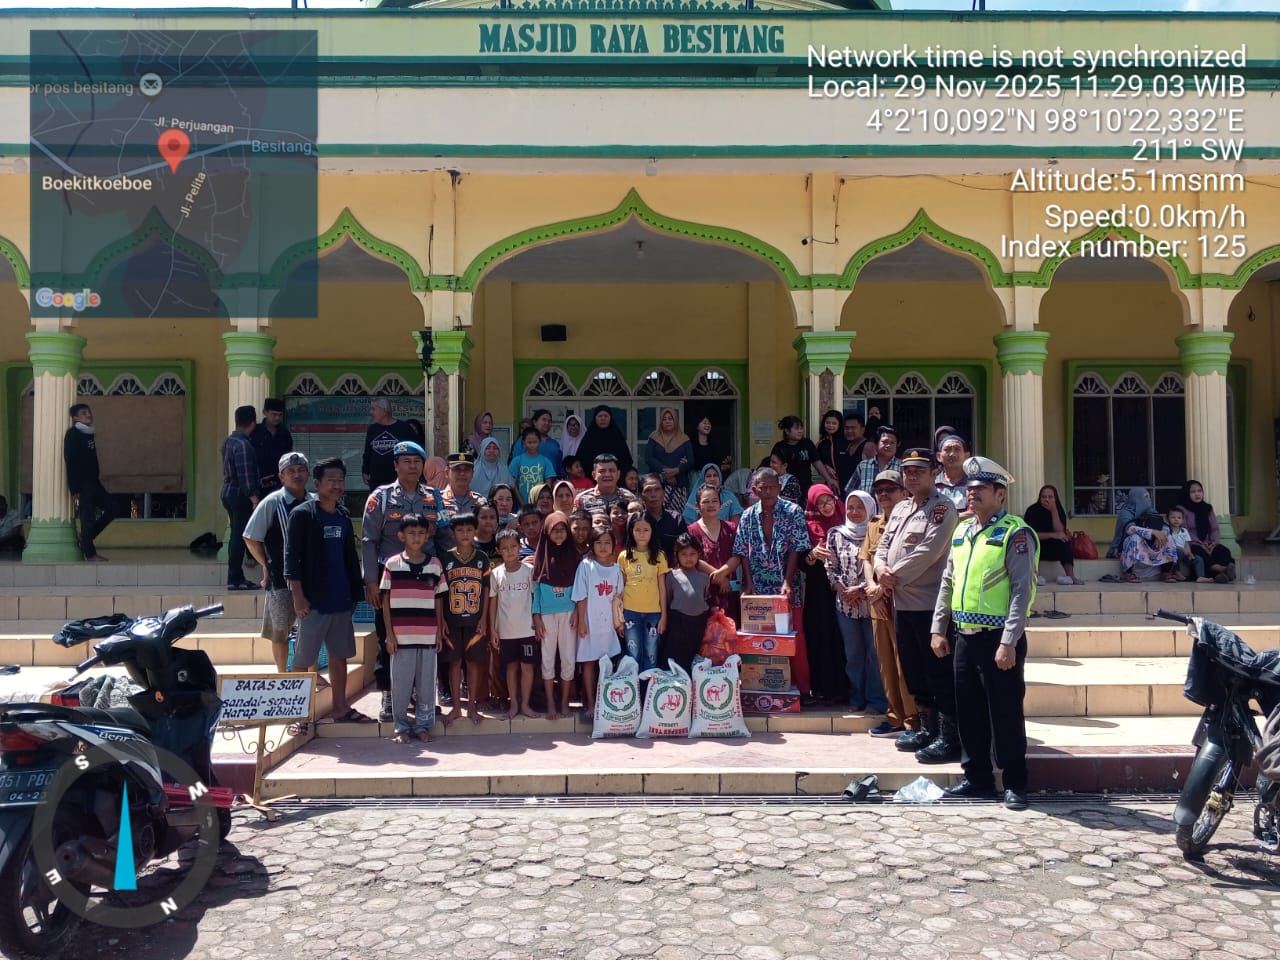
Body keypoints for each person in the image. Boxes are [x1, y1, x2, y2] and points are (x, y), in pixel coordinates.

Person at [932, 457, 1037, 810]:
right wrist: (938, 628)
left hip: (998, 639)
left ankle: (1014, 783)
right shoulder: (962, 531)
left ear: (1000, 494)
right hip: (964, 635)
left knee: (1005, 711)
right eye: (969, 489)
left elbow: (1023, 591)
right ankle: (976, 778)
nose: (971, 494)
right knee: (970, 712)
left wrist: (1009, 640)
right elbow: (948, 581)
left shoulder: (1015, 532)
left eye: (979, 489)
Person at [874, 448, 959, 762]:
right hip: (902, 604)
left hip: (929, 603)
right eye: (907, 471)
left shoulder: (942, 508)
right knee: (913, 670)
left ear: (933, 472)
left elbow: (930, 551)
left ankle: (949, 737)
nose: (911, 476)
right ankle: (928, 727)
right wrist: (880, 568)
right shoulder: (899, 508)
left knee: (937, 671)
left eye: (918, 471)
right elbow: (882, 545)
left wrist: (891, 576)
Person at [362, 440, 450, 723]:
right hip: (392, 582)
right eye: (406, 461)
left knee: (425, 640)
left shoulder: (434, 497)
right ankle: (389, 696)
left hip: (427, 582)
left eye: (416, 461)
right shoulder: (381, 497)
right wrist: (372, 582)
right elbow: (369, 541)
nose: (412, 466)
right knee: (390, 640)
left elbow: (446, 536)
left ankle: (420, 697)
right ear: (396, 465)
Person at [285, 457, 371, 723]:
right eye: (331, 480)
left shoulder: (343, 516)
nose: (336, 485)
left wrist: (356, 594)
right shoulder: (302, 514)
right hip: (313, 602)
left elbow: (348, 557)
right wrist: (298, 596)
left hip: (341, 599)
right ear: (317, 483)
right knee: (303, 660)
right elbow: (291, 558)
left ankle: (340, 708)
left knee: (340, 656)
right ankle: (297, 716)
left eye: (340, 480)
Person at [720, 468, 812, 698]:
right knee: (759, 640)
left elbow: (796, 548)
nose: (769, 491)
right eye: (764, 487)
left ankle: (801, 689)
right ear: (755, 489)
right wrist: (748, 583)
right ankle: (761, 688)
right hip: (758, 589)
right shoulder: (748, 515)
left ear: (779, 487)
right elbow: (742, 551)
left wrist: (787, 582)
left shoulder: (793, 511)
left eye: (773, 486)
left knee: (793, 638)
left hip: (787, 588)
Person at [243, 452, 315, 672]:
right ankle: (282, 674)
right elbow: (251, 537)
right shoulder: (272, 502)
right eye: (291, 471)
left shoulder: (315, 501)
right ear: (281, 476)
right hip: (280, 581)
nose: (297, 474)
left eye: (301, 469)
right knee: (280, 631)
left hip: (312, 580)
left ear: (308, 473)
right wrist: (266, 564)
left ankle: (312, 675)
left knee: (311, 631)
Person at [379, 514, 444, 744]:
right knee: (401, 685)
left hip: (427, 636)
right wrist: (389, 634)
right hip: (401, 637)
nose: (416, 537)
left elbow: (438, 600)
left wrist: (438, 631)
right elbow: (385, 600)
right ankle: (401, 727)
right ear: (401, 536)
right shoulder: (392, 564)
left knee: (427, 685)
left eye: (420, 533)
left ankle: (423, 726)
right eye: (411, 533)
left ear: (427, 535)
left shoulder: (434, 565)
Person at [862, 470, 916, 739]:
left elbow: (909, 562)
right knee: (884, 662)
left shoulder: (912, 521)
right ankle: (894, 716)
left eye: (890, 489)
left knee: (904, 661)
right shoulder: (874, 524)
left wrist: (881, 590)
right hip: (877, 602)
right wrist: (872, 590)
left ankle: (913, 719)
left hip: (901, 600)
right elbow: (866, 559)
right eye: (879, 490)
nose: (884, 494)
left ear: (904, 492)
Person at [827, 490, 888, 714]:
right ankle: (857, 697)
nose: (854, 512)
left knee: (875, 654)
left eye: (859, 507)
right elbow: (830, 567)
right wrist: (841, 589)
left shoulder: (877, 531)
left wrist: (861, 589)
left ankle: (876, 701)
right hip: (845, 605)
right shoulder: (835, 533)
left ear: (870, 508)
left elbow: (882, 563)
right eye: (850, 507)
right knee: (853, 655)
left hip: (873, 602)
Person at [436, 512, 490, 725]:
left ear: (475, 531)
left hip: (475, 621)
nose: (465, 534)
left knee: (473, 662)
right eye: (460, 530)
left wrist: (484, 618)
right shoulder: (445, 559)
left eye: (469, 529)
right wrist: (441, 622)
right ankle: (457, 707)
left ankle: (473, 707)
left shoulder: (482, 558)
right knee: (454, 662)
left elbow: (486, 591)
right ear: (452, 532)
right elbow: (439, 594)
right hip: (452, 622)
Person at [531, 510, 581, 720]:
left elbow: (580, 589)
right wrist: (536, 617)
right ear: (547, 533)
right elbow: (536, 591)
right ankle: (551, 702)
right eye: (555, 530)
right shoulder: (541, 556)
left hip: (569, 614)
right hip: (547, 616)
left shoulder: (575, 557)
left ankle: (564, 702)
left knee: (569, 658)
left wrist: (578, 611)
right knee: (548, 659)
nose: (559, 534)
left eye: (563, 529)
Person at [573, 526, 625, 719]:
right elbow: (580, 596)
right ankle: (590, 702)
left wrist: (618, 624)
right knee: (588, 663)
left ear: (613, 546)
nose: (603, 547)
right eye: (598, 543)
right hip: (589, 622)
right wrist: (581, 622)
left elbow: (618, 600)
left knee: (606, 663)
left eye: (607, 543)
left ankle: (605, 701)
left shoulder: (617, 570)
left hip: (608, 625)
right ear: (591, 545)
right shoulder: (586, 566)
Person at [802, 483, 847, 705]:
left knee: (844, 638)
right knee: (820, 636)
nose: (826, 506)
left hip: (846, 589)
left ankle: (846, 690)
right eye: (820, 503)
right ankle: (822, 689)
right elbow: (801, 560)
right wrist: (812, 555)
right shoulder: (807, 525)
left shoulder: (847, 518)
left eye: (828, 500)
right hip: (818, 592)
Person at [490, 528, 541, 719]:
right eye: (505, 548)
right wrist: (493, 630)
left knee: (528, 667)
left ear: (520, 547)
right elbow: (493, 602)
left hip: (528, 629)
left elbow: (536, 598)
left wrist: (538, 622)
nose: (510, 551)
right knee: (511, 667)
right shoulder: (495, 573)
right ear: (499, 550)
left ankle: (526, 705)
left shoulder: (529, 571)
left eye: (513, 546)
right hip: (506, 631)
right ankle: (514, 704)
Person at [64, 403, 117, 562]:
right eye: (83, 413)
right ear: (75, 418)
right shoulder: (73, 434)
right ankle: (90, 553)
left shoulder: (88, 433)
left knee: (114, 508)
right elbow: (70, 460)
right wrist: (74, 488)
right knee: (86, 518)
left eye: (89, 412)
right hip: (83, 484)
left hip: (94, 482)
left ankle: (86, 537)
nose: (88, 415)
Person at [618, 513, 670, 674]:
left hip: (653, 613)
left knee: (651, 652)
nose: (641, 534)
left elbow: (662, 587)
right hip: (630, 613)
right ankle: (634, 692)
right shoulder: (624, 556)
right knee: (633, 652)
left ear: (652, 531)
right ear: (631, 531)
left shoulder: (659, 556)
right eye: (637, 530)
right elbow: (621, 587)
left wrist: (664, 616)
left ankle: (649, 692)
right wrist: (619, 617)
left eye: (646, 530)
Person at [687, 484, 740, 623]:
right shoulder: (691, 531)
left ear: (720, 504)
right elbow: (693, 559)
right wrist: (720, 577)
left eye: (714, 501)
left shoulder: (731, 528)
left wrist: (724, 573)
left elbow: (738, 555)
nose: (711, 505)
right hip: (704, 593)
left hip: (729, 590)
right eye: (705, 501)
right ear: (698, 506)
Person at [221, 405, 260, 588]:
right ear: (252, 423)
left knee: (236, 534)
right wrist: (254, 498)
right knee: (239, 536)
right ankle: (235, 579)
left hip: (228, 493)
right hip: (239, 496)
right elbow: (245, 475)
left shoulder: (229, 441)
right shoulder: (243, 445)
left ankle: (235, 576)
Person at [1108, 487, 1179, 583]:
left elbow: (1164, 525)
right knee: (1134, 538)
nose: (1148, 500)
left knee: (1168, 538)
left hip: (1149, 545)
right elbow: (1129, 529)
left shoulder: (1151, 511)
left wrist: (1162, 534)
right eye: (1145, 497)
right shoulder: (1126, 513)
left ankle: (1166, 573)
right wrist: (1153, 532)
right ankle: (1128, 573)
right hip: (1123, 548)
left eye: (1148, 497)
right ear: (1135, 498)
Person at [664, 533, 711, 675]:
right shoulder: (672, 576)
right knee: (677, 656)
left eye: (692, 554)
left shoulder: (704, 577)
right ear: (677, 555)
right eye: (684, 554)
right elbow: (668, 599)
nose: (688, 558)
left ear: (699, 555)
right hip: (678, 622)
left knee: (694, 654)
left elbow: (705, 596)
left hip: (698, 622)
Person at [1177, 479, 1236, 583]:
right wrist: (1200, 543)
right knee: (1199, 551)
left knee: (1222, 550)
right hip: (1191, 543)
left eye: (1199, 491)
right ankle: (1219, 569)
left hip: (1207, 543)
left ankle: (1221, 575)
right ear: (1187, 493)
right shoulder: (1181, 509)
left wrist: (1213, 543)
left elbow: (1214, 529)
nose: (1197, 494)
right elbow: (1184, 530)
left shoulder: (1207, 508)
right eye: (1193, 492)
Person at [1024, 484, 1084, 586]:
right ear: (1039, 498)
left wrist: (1053, 510)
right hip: (1037, 548)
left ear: (1055, 498)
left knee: (1064, 542)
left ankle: (1071, 576)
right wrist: (1052, 535)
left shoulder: (1058, 510)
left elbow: (1060, 532)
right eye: (1044, 497)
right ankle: (1033, 576)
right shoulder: (1032, 511)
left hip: (1053, 549)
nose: (1047, 499)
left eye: (1050, 497)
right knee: (1031, 542)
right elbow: (1029, 535)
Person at [645, 407, 694, 517]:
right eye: (664, 419)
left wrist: (677, 470)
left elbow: (690, 461)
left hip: (679, 485)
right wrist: (666, 473)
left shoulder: (684, 439)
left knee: (677, 517)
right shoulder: (654, 437)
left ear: (675, 421)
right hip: (658, 484)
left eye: (670, 418)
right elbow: (649, 458)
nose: (667, 421)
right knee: (657, 515)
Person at [362, 398, 417, 490]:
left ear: (384, 410)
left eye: (373, 409)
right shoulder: (372, 429)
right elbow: (367, 452)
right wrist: (365, 471)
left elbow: (414, 452)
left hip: (398, 481)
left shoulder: (403, 428)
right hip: (377, 482)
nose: (371, 412)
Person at [574, 453, 638, 519]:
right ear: (594, 475)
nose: (607, 475)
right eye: (602, 471)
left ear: (618, 474)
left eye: (611, 471)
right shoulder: (581, 499)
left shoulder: (630, 497)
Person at [251, 398, 293, 496]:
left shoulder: (284, 433)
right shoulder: (255, 432)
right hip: (259, 484)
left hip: (279, 483)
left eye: (280, 415)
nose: (277, 418)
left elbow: (288, 458)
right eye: (274, 414)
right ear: (265, 412)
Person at [575, 404, 634, 475]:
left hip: (615, 479)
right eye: (600, 416)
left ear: (610, 418)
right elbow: (582, 459)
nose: (603, 418)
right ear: (595, 418)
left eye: (606, 416)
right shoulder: (589, 438)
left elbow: (626, 461)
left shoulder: (617, 437)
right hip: (592, 479)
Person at [772, 415, 819, 496]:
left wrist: (829, 479)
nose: (800, 431)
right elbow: (773, 466)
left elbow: (817, 462)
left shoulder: (807, 444)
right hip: (786, 487)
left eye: (801, 428)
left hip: (806, 487)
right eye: (796, 429)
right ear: (787, 431)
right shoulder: (779, 447)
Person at [638, 473, 682, 560]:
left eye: (657, 489)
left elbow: (684, 549)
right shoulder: (635, 521)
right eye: (648, 490)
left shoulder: (676, 519)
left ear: (664, 492)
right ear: (641, 495)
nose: (653, 495)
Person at [509, 428, 557, 504]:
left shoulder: (546, 461)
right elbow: (512, 484)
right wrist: (521, 503)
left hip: (541, 504)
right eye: (529, 442)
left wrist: (545, 501)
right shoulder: (517, 461)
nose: (532, 445)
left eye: (535, 442)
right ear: (524, 442)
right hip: (521, 503)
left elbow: (548, 485)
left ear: (540, 441)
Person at [851, 425, 902, 494]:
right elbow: (850, 490)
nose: (888, 445)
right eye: (885, 442)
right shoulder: (863, 466)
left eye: (892, 443)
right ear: (876, 444)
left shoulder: (902, 466)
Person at [1167, 506, 1212, 583]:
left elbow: (1186, 543)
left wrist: (1189, 553)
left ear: (1182, 520)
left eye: (1179, 518)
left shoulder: (1184, 531)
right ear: (1168, 519)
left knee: (1198, 559)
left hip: (1184, 553)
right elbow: (1170, 544)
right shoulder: (1167, 530)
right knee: (1178, 551)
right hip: (1172, 554)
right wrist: (1182, 550)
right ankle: (1176, 571)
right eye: (1173, 517)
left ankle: (1200, 576)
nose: (1176, 519)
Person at [441, 450, 486, 520]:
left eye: (467, 470)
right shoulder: (438, 500)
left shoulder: (480, 501)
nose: (462, 473)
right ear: (447, 473)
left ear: (472, 474)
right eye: (457, 469)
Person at [834, 413, 872, 493]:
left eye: (853, 428)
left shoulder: (868, 446)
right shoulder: (844, 446)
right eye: (846, 428)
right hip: (843, 493)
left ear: (862, 430)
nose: (849, 431)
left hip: (860, 495)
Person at [934, 434, 972, 514]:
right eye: (947, 450)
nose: (952, 454)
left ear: (967, 456)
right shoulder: (932, 484)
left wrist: (950, 520)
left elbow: (975, 511)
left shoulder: (974, 483)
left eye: (957, 449)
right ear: (938, 456)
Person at [813, 409, 845, 493]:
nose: (830, 426)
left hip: (848, 482)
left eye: (834, 423)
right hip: (831, 484)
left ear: (840, 424)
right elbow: (817, 462)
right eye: (827, 423)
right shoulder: (820, 444)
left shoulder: (847, 441)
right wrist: (825, 466)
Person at [530, 409, 564, 476]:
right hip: (531, 482)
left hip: (551, 483)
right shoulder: (525, 441)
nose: (547, 423)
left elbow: (559, 467)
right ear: (535, 422)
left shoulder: (555, 444)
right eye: (544, 420)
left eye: (549, 421)